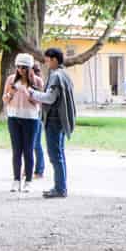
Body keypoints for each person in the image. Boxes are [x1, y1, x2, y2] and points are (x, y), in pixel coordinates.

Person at [30, 47, 77, 198]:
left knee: (55, 155)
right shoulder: (64, 74)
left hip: (54, 120)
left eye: (48, 59)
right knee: (59, 154)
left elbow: (50, 98)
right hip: (60, 120)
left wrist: (32, 93)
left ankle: (60, 188)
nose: (46, 62)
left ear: (55, 59)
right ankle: (60, 186)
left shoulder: (56, 76)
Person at [2, 52, 42, 193]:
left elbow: (38, 102)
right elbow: (5, 100)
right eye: (18, 67)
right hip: (13, 117)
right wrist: (11, 93)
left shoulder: (37, 81)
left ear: (30, 67)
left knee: (28, 150)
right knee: (16, 150)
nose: (20, 70)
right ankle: (16, 180)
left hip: (30, 118)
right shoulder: (11, 79)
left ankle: (28, 181)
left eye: (24, 67)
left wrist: (27, 92)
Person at [30, 63, 47, 182]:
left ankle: (39, 170)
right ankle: (29, 169)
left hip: (37, 116)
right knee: (30, 144)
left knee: (36, 143)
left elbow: (40, 100)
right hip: (28, 115)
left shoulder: (38, 81)